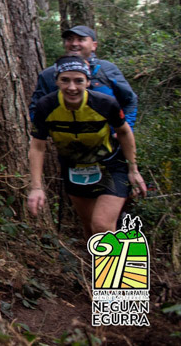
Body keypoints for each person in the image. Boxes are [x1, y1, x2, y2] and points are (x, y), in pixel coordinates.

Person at [27, 56, 147, 239]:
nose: (72, 87)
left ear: (88, 82)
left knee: (102, 225)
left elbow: (124, 132)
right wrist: (36, 187)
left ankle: (115, 256)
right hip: (73, 168)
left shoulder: (105, 103)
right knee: (90, 229)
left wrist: (133, 169)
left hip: (111, 166)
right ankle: (109, 255)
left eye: (79, 81)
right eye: (65, 80)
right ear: (56, 81)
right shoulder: (46, 106)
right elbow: (37, 147)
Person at [30, 26, 138, 129]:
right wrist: (46, 132)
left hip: (108, 138)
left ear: (94, 45)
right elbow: (36, 108)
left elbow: (130, 100)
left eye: (81, 39)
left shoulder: (106, 69)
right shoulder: (49, 74)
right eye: (70, 39)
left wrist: (124, 129)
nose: (74, 43)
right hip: (64, 138)